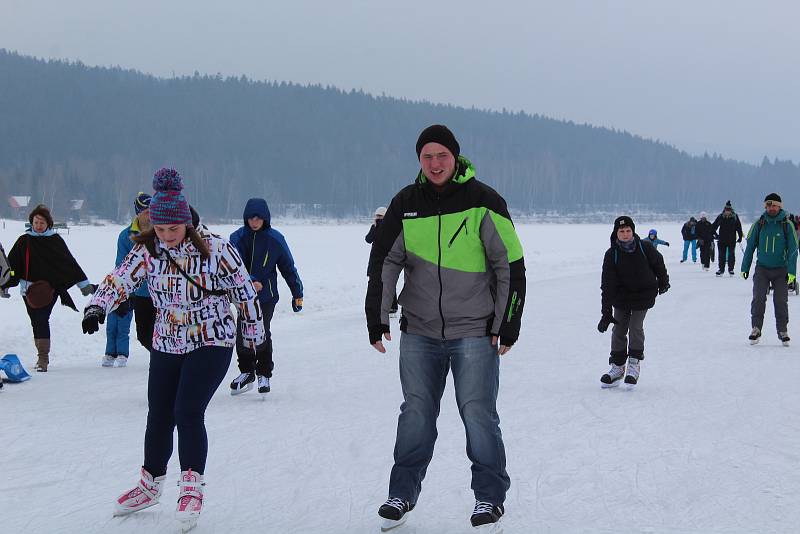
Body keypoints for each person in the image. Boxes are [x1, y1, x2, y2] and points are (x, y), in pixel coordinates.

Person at [81, 168, 265, 529]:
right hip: (167, 338)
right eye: (160, 230)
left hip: (212, 336)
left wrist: (255, 336)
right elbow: (122, 277)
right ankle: (150, 483)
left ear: (186, 222)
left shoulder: (216, 248)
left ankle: (192, 485)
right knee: (159, 412)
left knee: (187, 410)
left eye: (173, 229)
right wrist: (97, 305)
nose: (166, 236)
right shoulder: (147, 249)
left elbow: (244, 290)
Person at [365, 125, 526, 531]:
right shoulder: (406, 203)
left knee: (478, 414)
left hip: (473, 330)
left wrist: (507, 323)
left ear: (455, 157)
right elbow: (384, 261)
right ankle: (401, 493)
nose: (435, 163)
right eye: (427, 157)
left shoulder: (483, 201)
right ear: (419, 161)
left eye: (441, 155)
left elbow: (511, 265)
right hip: (419, 331)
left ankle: (489, 499)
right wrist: (377, 314)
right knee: (416, 413)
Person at [1, 204, 96, 372]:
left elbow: (68, 263)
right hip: (28, 290)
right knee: (35, 321)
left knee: (42, 319)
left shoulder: (55, 241)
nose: (38, 226)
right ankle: (41, 355)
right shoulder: (24, 241)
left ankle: (43, 358)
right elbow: (12, 265)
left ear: (48, 224)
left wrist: (84, 285)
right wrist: (5, 285)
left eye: (42, 223)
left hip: (50, 290)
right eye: (36, 222)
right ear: (32, 222)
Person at [228, 198, 303, 395]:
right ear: (246, 219)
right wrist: (251, 281)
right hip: (243, 296)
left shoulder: (275, 239)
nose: (255, 222)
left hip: (266, 296)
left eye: (258, 218)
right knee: (243, 332)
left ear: (265, 219)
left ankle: (264, 373)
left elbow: (288, 267)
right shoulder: (236, 238)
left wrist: (297, 293)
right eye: (251, 218)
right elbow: (234, 265)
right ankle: (246, 371)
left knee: (261, 331)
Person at [598, 216, 669, 387]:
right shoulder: (612, 254)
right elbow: (607, 284)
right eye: (621, 231)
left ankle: (634, 363)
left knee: (635, 326)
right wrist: (606, 313)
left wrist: (663, 281)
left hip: (644, 294)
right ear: (616, 233)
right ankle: (617, 367)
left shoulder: (645, 247)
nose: (625, 234)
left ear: (633, 231)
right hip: (621, 297)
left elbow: (658, 263)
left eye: (628, 231)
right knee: (618, 328)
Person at [740, 193, 798, 346]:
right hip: (762, 269)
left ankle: (782, 331)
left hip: (781, 270)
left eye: (774, 205)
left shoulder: (787, 224)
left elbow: (793, 249)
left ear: (780, 206)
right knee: (758, 298)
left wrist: (792, 272)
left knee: (780, 301)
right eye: (768, 205)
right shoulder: (759, 224)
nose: (771, 208)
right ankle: (756, 329)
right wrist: (744, 267)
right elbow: (750, 247)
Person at [103, 192, 152, 368]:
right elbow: (121, 266)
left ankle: (165, 360)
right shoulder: (126, 236)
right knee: (144, 334)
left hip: (161, 292)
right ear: (138, 213)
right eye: (147, 211)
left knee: (163, 332)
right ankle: (161, 356)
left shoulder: (161, 231)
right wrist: (123, 292)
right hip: (139, 294)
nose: (150, 214)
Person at [366, 206, 398, 314]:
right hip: (378, 260)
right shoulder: (376, 227)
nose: (378, 218)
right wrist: (375, 227)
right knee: (381, 284)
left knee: (386, 284)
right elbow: (368, 239)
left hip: (385, 260)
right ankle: (381, 306)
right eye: (377, 216)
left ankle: (391, 307)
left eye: (380, 216)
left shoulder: (388, 227)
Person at [712, 200, 744, 276]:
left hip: (731, 239)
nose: (727, 212)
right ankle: (721, 270)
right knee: (721, 255)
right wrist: (715, 235)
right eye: (726, 210)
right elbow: (713, 227)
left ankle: (731, 269)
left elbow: (739, 227)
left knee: (731, 255)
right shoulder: (720, 216)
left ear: (731, 210)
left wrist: (740, 237)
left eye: (729, 210)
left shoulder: (735, 217)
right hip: (722, 239)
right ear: (724, 210)